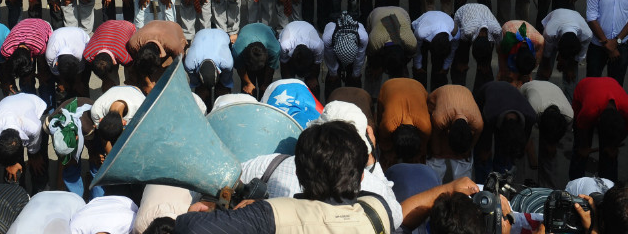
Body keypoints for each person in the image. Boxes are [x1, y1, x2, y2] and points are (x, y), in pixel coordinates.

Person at [176, 122, 395, 234]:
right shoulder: (379, 209)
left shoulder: (269, 214)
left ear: (299, 173)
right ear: (361, 176)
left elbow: (190, 227)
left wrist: (261, 209)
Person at [570, 76, 628, 183]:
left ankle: (609, 186)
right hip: (585, 89)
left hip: (610, 83)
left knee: (610, 155)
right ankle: (575, 183)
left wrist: (613, 146)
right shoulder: (589, 111)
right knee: (580, 152)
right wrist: (584, 146)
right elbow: (581, 127)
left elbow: (627, 129)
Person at [0, 92, 48, 194]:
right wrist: (10, 165)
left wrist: (34, 156)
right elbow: (1, 153)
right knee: (12, 173)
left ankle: (40, 191)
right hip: (10, 105)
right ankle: (17, 194)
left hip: (35, 106)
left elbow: (35, 147)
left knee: (38, 164)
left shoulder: (33, 127)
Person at [427, 84, 483, 182]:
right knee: (435, 160)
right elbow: (435, 144)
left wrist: (464, 154)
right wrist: (437, 154)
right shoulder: (439, 119)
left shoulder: (478, 124)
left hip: (464, 92)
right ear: (448, 132)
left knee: (464, 160)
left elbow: (470, 147)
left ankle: (462, 189)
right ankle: (433, 185)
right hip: (439, 95)